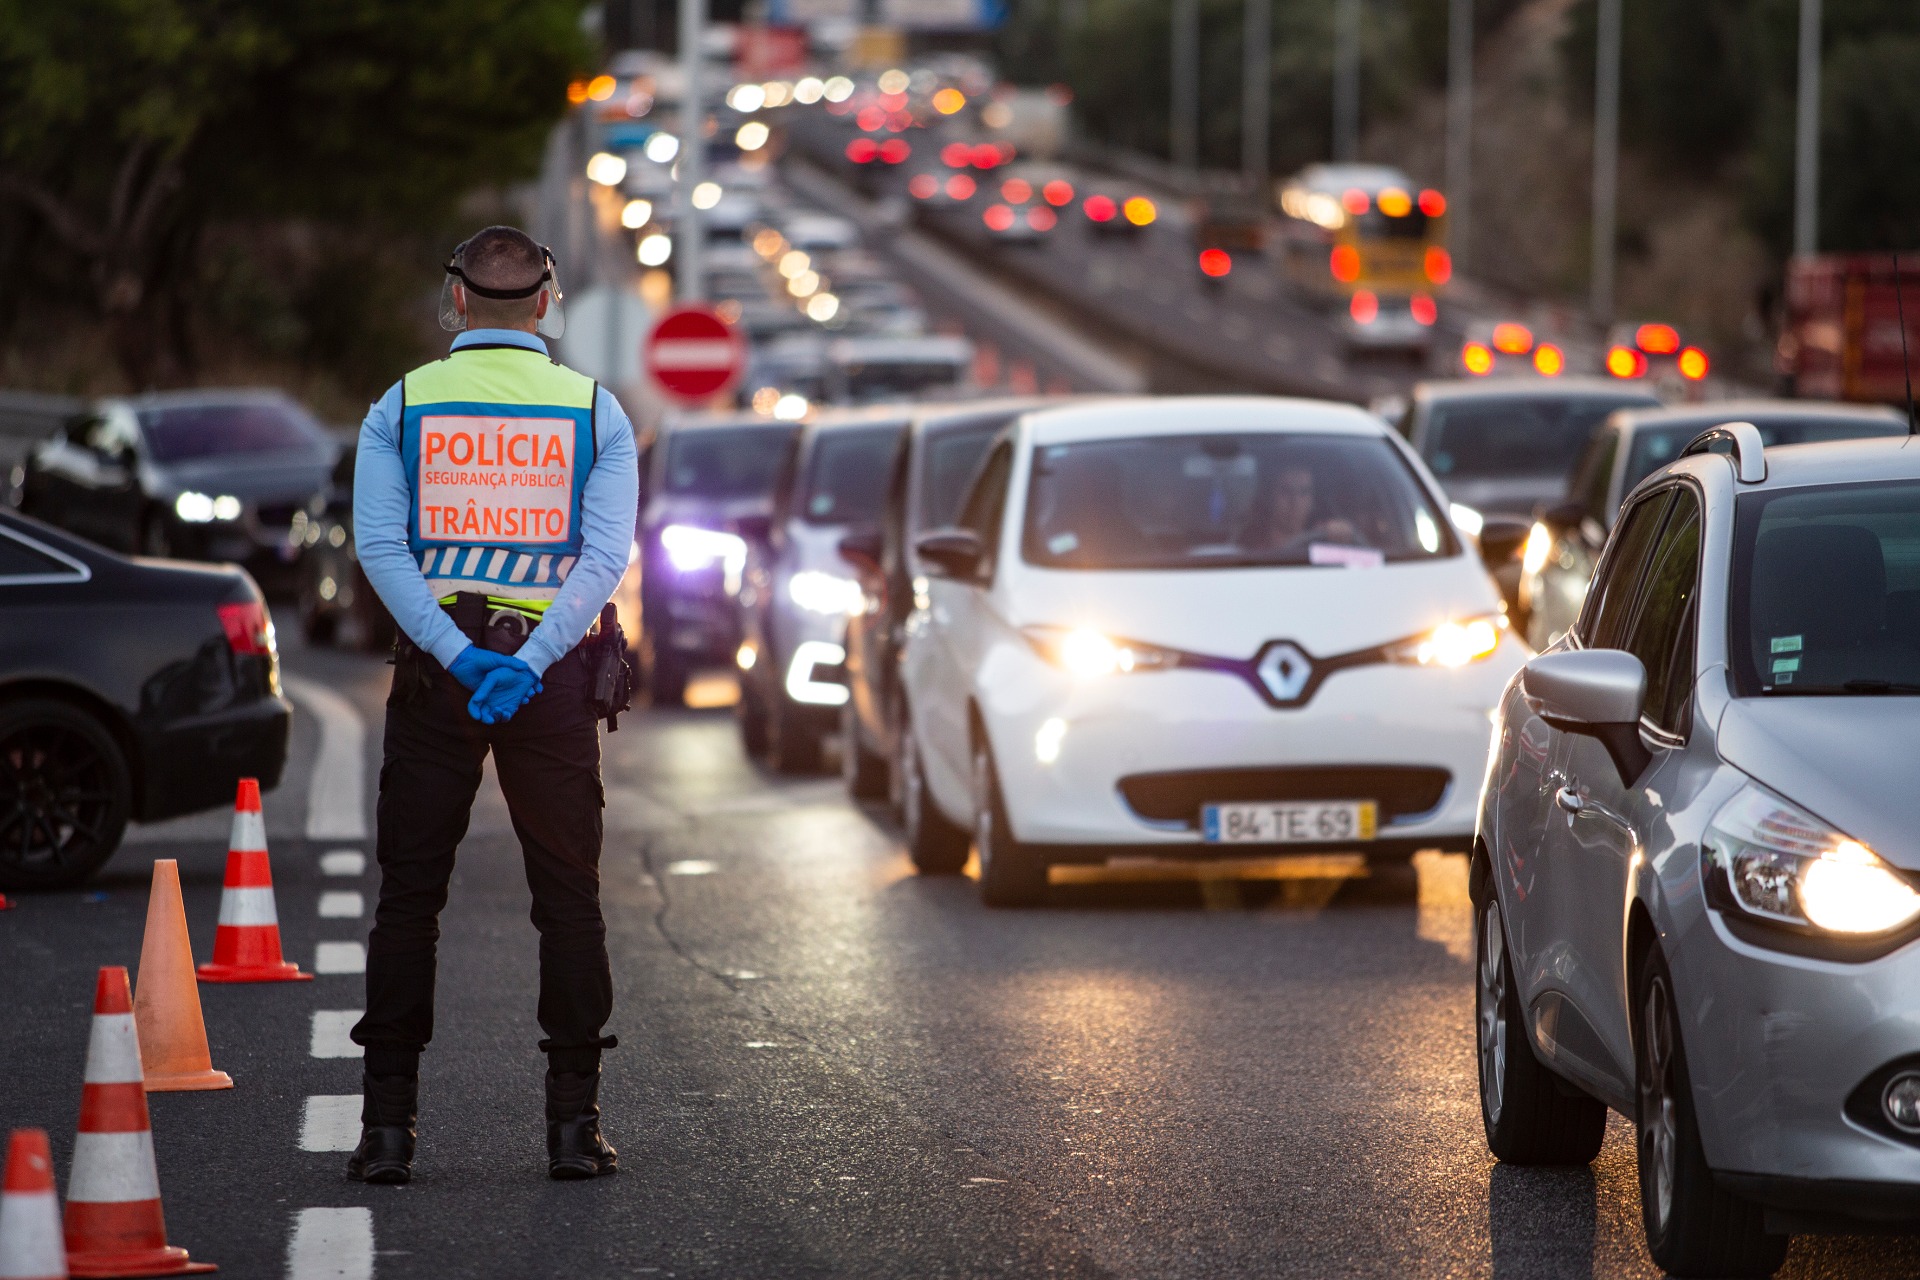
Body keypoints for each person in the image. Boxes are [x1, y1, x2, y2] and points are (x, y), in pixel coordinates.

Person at [345, 226, 639, 1184]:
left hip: (442, 678)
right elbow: (603, 560)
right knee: (568, 901)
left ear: (458, 303)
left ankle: (386, 1134)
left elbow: (383, 550)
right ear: (548, 305)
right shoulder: (596, 411)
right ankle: (572, 1131)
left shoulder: (400, 407)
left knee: (409, 900)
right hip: (547, 682)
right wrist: (532, 657)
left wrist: (460, 654)